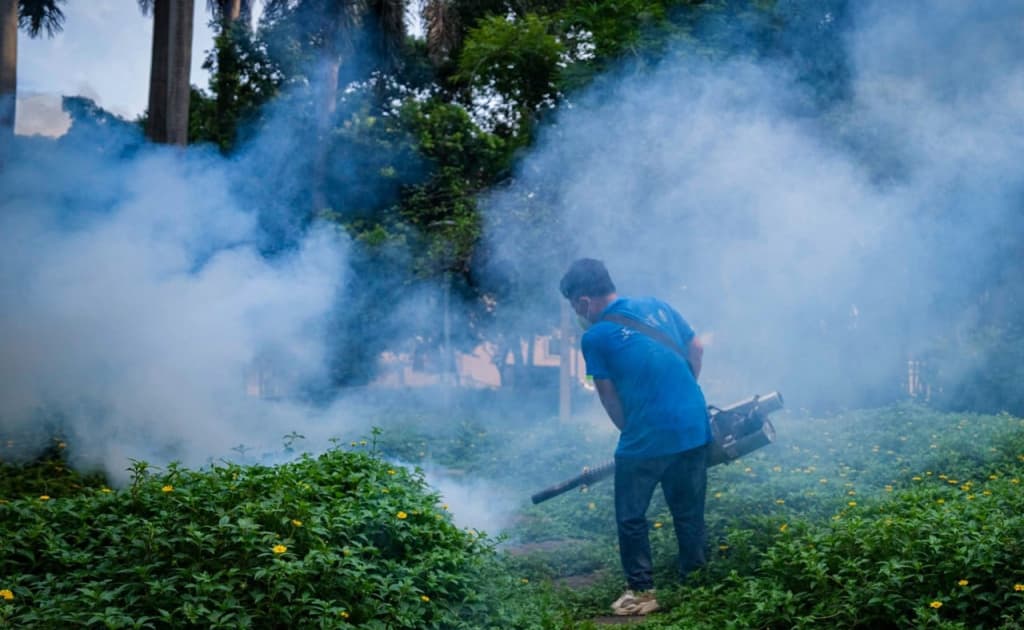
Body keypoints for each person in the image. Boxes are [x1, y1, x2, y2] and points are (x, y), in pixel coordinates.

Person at [559, 258, 711, 617]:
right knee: (688, 511)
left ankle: (642, 592)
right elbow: (698, 347)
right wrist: (684, 393)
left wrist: (632, 429)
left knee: (631, 516)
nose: (576, 313)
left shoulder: (594, 336)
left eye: (573, 306)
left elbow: (607, 394)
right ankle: (697, 582)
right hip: (694, 425)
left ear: (582, 302)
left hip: (646, 436)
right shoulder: (657, 305)